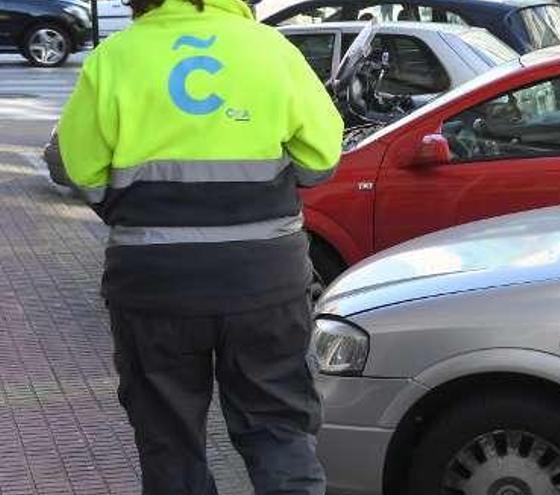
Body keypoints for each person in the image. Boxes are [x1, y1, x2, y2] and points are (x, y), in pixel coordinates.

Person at [56, 0, 344, 494]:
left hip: (155, 287)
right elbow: (321, 160)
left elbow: (79, 170)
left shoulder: (115, 56)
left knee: (170, 443)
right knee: (278, 433)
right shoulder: (272, 50)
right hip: (265, 283)